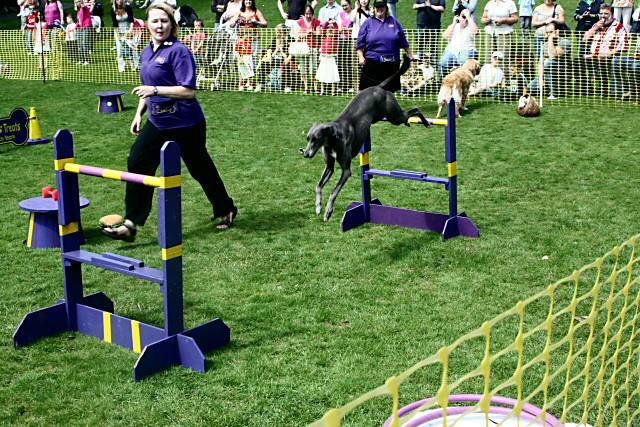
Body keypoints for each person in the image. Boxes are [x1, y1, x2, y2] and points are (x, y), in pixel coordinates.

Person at [102, 2, 238, 241]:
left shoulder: (178, 51)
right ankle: (131, 224)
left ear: (172, 24)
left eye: (164, 21)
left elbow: (188, 91)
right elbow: (147, 87)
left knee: (200, 168)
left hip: (187, 124)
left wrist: (155, 90)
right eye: (154, 21)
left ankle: (225, 209)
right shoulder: (146, 51)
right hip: (159, 122)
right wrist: (139, 113)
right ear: (147, 24)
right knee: (137, 162)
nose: (159, 25)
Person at [357, 0, 415, 91]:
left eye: (382, 7)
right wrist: (361, 56)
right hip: (373, 63)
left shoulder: (394, 22)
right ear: (374, 8)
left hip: (391, 63)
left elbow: (403, 40)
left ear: (386, 8)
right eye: (377, 7)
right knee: (370, 92)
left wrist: (410, 54)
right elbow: (360, 43)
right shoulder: (368, 23)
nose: (380, 9)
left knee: (389, 91)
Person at [583, 4, 628, 96]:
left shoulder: (619, 27)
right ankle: (586, 88)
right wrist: (594, 28)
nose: (603, 16)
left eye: (606, 13)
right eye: (601, 13)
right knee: (577, 62)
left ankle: (604, 89)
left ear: (612, 14)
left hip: (608, 57)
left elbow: (624, 47)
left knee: (602, 62)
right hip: (593, 55)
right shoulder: (597, 24)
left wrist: (608, 53)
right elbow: (585, 39)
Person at [529, 22, 571, 98]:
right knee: (530, 88)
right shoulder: (545, 44)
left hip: (562, 74)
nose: (548, 34)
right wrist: (541, 78)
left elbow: (554, 55)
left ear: (557, 31)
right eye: (547, 32)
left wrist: (551, 39)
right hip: (546, 74)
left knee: (548, 63)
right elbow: (541, 62)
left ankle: (553, 93)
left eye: (551, 32)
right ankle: (546, 89)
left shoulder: (564, 42)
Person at [439, 7, 478, 78]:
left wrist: (469, 18)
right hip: (452, 51)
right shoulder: (454, 26)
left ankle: (465, 84)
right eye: (463, 16)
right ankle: (442, 83)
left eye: (467, 16)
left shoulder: (471, 26)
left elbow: (476, 32)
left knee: (465, 65)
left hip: (467, 50)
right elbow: (445, 36)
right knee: (443, 63)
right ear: (459, 17)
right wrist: (454, 23)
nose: (465, 19)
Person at [481, 0, 518, 65]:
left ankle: (503, 74)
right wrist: (486, 20)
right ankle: (489, 74)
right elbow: (483, 18)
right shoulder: (490, 3)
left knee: (503, 58)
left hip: (504, 33)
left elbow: (515, 18)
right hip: (489, 32)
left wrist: (504, 20)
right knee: (488, 57)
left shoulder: (510, 3)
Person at [294, 4, 321, 92]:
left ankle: (315, 87)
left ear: (312, 13)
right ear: (304, 14)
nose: (308, 15)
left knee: (314, 68)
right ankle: (306, 87)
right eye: (306, 14)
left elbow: (318, 33)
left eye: (310, 13)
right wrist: (307, 33)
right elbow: (297, 35)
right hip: (303, 48)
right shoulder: (299, 22)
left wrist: (311, 33)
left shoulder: (317, 21)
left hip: (314, 47)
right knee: (303, 68)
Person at [316, 20, 340, 94]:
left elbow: (336, 28)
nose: (330, 31)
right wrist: (327, 22)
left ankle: (333, 91)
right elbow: (323, 27)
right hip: (324, 58)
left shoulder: (335, 38)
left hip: (331, 58)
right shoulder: (323, 37)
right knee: (323, 73)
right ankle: (323, 91)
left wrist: (334, 22)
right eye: (328, 30)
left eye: (331, 30)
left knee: (332, 74)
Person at [111, 0, 135, 72]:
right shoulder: (113, 10)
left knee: (129, 48)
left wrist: (129, 30)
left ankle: (133, 65)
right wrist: (119, 35)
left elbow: (131, 20)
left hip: (128, 30)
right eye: (118, 0)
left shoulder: (128, 7)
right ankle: (121, 67)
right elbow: (114, 24)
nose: (120, 1)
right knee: (120, 50)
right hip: (118, 31)